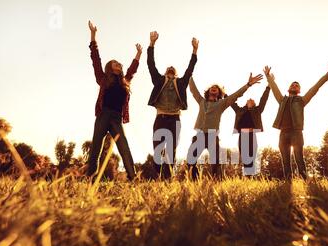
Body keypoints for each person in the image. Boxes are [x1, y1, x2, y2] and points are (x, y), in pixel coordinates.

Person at [263, 62, 328, 179]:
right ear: (289, 88)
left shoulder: (302, 100)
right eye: (293, 85)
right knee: (285, 162)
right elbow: (274, 89)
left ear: (299, 90)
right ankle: (288, 183)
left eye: (297, 86)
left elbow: (316, 87)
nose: (294, 86)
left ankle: (305, 181)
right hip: (283, 133)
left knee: (299, 159)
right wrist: (268, 77)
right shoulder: (282, 100)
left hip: (296, 133)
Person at [86, 21, 142, 181]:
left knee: (124, 147)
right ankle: (90, 177)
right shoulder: (103, 79)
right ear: (110, 68)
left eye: (119, 63)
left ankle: (133, 177)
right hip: (103, 116)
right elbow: (95, 59)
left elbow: (132, 70)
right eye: (115, 63)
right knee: (96, 147)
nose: (119, 65)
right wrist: (93, 36)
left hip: (117, 118)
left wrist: (138, 55)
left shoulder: (124, 81)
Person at [187, 73, 263, 180]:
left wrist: (248, 84)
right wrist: (189, 75)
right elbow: (193, 89)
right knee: (190, 160)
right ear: (208, 92)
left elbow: (236, 95)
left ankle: (215, 182)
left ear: (219, 93)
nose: (214, 88)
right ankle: (193, 182)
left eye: (216, 88)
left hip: (212, 137)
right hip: (199, 135)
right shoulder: (201, 101)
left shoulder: (222, 104)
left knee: (216, 163)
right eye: (212, 88)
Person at [147, 31, 198, 179]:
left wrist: (194, 50)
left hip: (175, 119)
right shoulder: (158, 80)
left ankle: (168, 178)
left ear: (175, 73)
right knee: (157, 149)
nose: (170, 68)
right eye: (168, 68)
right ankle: (156, 177)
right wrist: (152, 44)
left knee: (171, 150)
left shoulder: (181, 83)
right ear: (165, 72)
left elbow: (190, 69)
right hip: (161, 118)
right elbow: (151, 64)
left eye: (172, 69)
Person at [231, 85, 271, 177]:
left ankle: (250, 177)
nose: (250, 99)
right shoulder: (240, 110)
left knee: (251, 157)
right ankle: (247, 177)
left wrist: (268, 88)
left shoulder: (257, 110)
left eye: (252, 99)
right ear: (246, 102)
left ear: (254, 103)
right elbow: (232, 102)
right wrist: (225, 95)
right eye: (249, 99)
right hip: (242, 136)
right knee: (245, 158)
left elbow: (263, 100)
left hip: (251, 135)